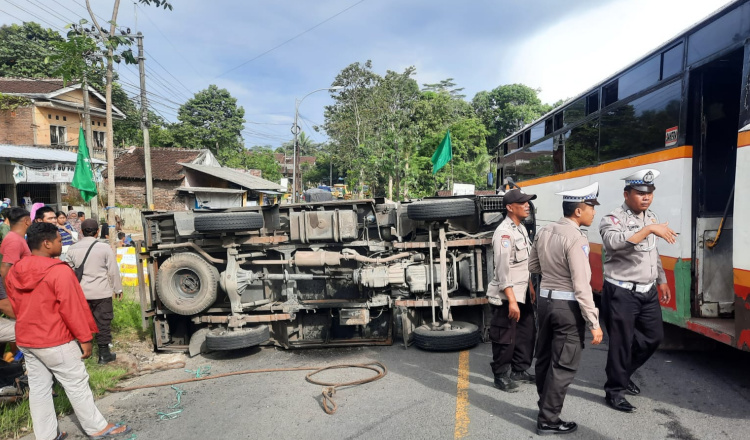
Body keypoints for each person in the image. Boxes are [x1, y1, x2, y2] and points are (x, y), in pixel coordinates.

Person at [5, 222, 131, 440]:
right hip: (54, 339)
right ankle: (96, 427)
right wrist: (85, 338)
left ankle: (47, 435)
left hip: (26, 337)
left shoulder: (15, 270)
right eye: (58, 240)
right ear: (46, 244)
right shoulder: (59, 271)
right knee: (77, 383)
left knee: (39, 389)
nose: (60, 243)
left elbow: (15, 303)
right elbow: (73, 308)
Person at [599, 169, 677, 413]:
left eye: (650, 193)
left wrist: (661, 279)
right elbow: (613, 243)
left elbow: (652, 252)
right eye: (640, 193)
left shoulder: (650, 217)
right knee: (621, 343)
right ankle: (615, 391)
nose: (646, 198)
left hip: (647, 291)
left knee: (653, 337)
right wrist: (648, 230)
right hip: (622, 291)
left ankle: (622, 373)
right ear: (627, 193)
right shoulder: (613, 218)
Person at [529, 182, 603, 436]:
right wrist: (594, 322)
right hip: (566, 307)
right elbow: (582, 286)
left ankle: (544, 405)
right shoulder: (576, 238)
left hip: (545, 302)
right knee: (564, 364)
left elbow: (534, 266)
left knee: (546, 357)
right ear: (579, 212)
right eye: (591, 207)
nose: (594, 212)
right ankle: (549, 420)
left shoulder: (545, 230)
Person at [487, 188, 538, 392]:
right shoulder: (504, 233)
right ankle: (501, 374)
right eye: (522, 202)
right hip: (507, 294)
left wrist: (531, 287)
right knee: (505, 336)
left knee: (526, 333)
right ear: (510, 207)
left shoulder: (521, 228)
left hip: (522, 290)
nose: (527, 205)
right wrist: (512, 300)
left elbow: (524, 263)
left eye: (528, 202)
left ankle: (519, 369)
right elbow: (502, 270)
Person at [65, 219, 123, 364]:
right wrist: (118, 289)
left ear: (81, 232)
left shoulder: (72, 248)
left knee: (82, 323)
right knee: (103, 323)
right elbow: (113, 271)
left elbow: (68, 272)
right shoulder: (104, 248)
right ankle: (104, 354)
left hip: (81, 294)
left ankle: (82, 353)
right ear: (97, 232)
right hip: (101, 293)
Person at [0, 208, 32, 367]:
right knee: (20, 329)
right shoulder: (14, 240)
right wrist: (10, 295)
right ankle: (15, 363)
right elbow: (5, 269)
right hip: (12, 295)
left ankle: (12, 362)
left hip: (16, 292)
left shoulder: (16, 238)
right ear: (27, 221)